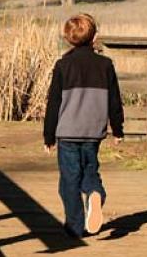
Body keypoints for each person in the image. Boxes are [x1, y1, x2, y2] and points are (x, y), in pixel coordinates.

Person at [44, 13, 124, 237]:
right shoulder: (105, 65)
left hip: (67, 131)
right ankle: (95, 193)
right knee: (90, 170)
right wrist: (117, 129)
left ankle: (75, 226)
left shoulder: (62, 65)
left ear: (67, 38)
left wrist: (48, 136)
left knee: (69, 180)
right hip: (93, 131)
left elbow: (54, 103)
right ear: (95, 36)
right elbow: (114, 101)